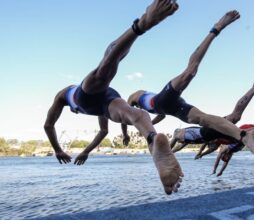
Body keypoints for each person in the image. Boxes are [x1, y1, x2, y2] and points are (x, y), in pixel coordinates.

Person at [44, 0, 183, 195]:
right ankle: (152, 137)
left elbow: (49, 125)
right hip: (106, 100)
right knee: (135, 113)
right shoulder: (73, 95)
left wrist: (60, 149)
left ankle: (142, 24)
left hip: (92, 101)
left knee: (106, 70)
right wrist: (86, 150)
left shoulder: (65, 94)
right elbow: (103, 131)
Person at [125, 10, 254, 165]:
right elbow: (161, 115)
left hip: (163, 98)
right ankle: (245, 137)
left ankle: (216, 28)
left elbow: (125, 115)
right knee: (204, 119)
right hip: (174, 107)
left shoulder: (135, 96)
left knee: (189, 72)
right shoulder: (150, 111)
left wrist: (125, 133)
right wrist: (151, 124)